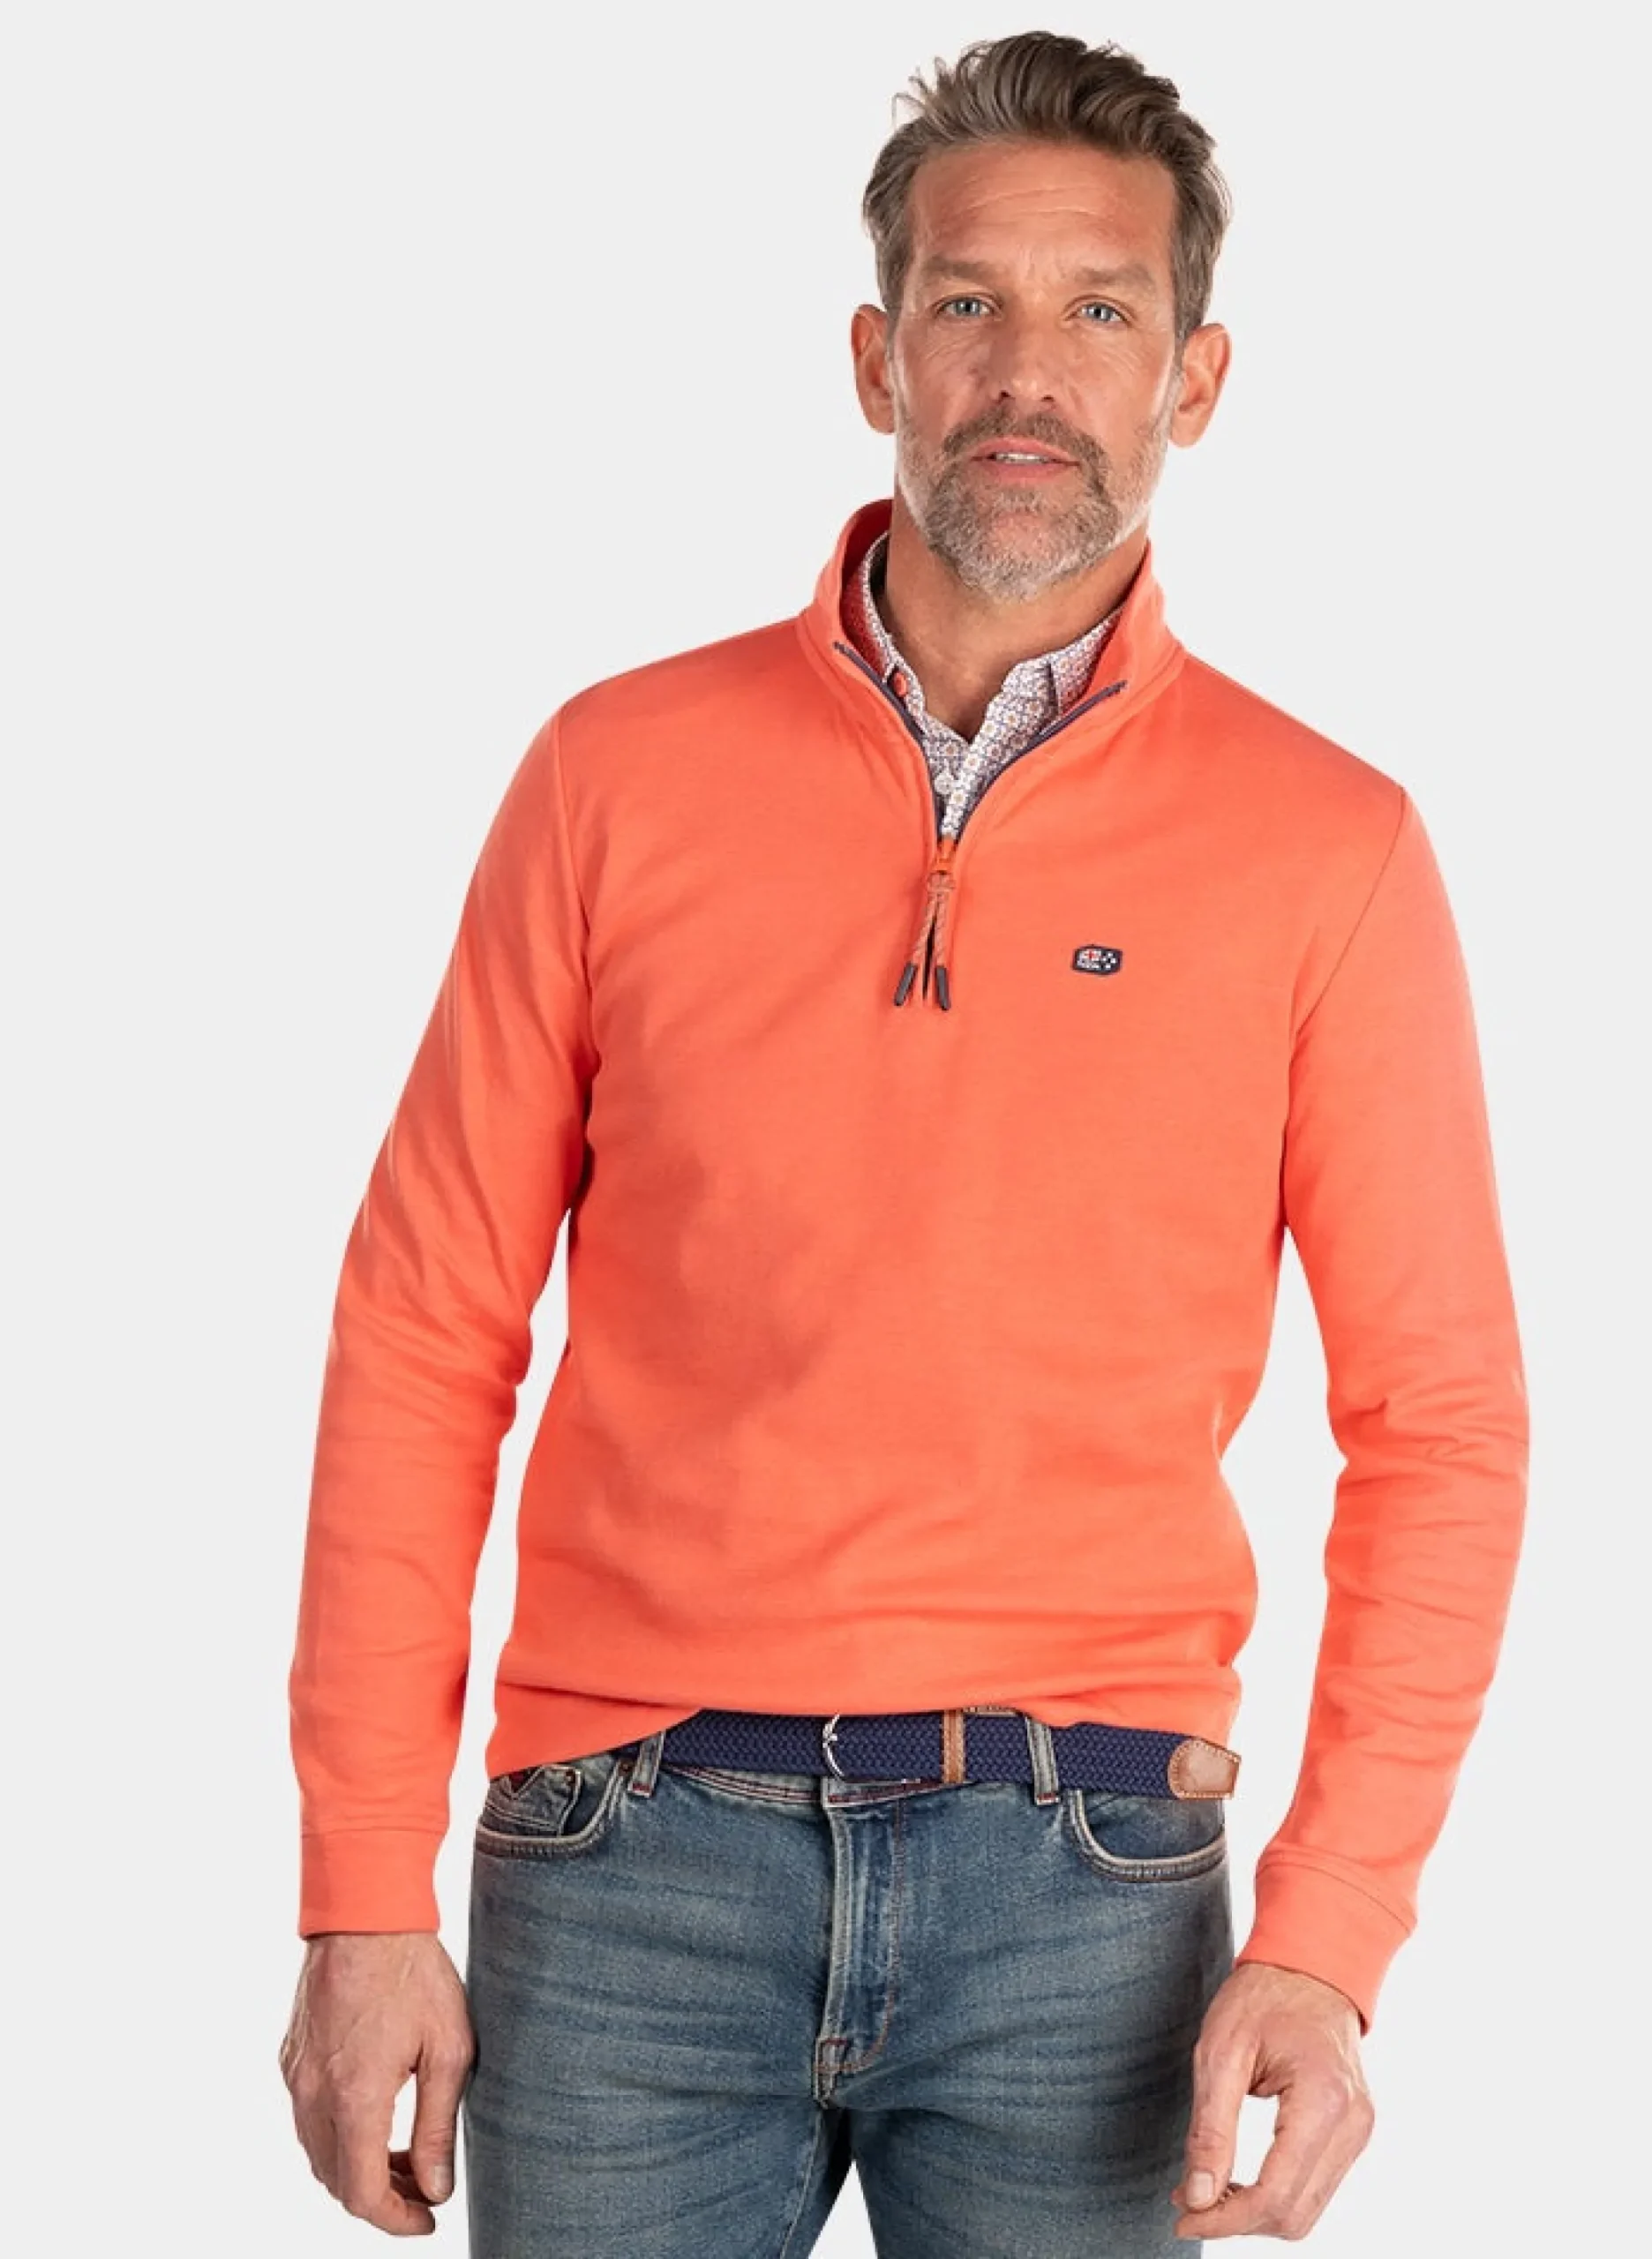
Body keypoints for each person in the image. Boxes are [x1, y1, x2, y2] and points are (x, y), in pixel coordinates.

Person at [279, 29, 1528, 2254]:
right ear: (877, 353)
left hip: (1091, 1884)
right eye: (968, 301)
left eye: (1099, 308)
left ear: (1195, 377)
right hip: (624, 1853)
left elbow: (1439, 1422)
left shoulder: (1327, 847)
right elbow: (423, 1327)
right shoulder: (612, 774)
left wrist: (1330, 1931)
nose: (1026, 372)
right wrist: (360, 1882)